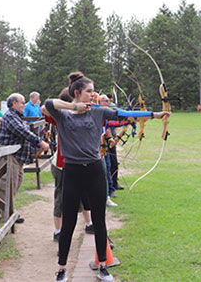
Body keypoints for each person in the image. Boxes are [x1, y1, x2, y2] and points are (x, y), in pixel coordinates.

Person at [45, 71, 170, 282]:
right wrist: (73, 107)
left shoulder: (99, 112)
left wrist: (155, 115)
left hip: (94, 171)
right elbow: (48, 103)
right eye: (89, 92)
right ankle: (62, 270)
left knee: (99, 220)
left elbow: (123, 114)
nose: (93, 95)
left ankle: (103, 266)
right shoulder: (63, 114)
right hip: (72, 172)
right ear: (77, 93)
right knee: (68, 223)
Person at [42, 88, 94, 242]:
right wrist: (72, 107)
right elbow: (44, 108)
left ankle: (89, 223)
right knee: (61, 199)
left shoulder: (82, 115)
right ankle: (58, 231)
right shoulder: (61, 116)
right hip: (62, 166)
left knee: (84, 194)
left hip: (78, 164)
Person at [0, 93, 49, 224]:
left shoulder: (17, 117)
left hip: (17, 157)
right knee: (7, 185)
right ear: (14, 104)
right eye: (22, 102)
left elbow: (26, 130)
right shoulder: (10, 116)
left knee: (16, 183)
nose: (24, 105)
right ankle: (7, 214)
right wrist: (40, 142)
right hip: (8, 156)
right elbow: (22, 131)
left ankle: (7, 209)